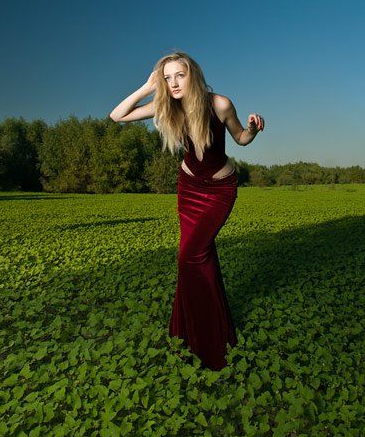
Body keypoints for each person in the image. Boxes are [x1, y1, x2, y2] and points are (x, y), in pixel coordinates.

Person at [109, 50, 264, 370]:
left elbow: (241, 138)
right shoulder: (168, 106)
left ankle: (206, 339)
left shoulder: (220, 104)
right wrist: (147, 87)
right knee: (199, 256)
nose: (174, 83)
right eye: (167, 78)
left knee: (190, 256)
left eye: (179, 75)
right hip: (189, 189)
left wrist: (253, 128)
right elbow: (117, 116)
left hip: (219, 191)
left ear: (193, 74)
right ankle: (194, 330)